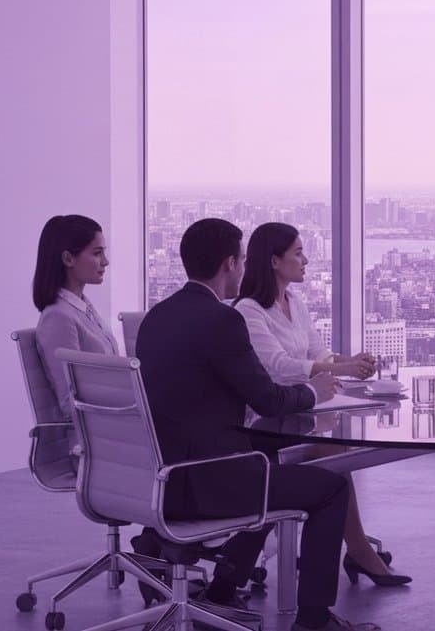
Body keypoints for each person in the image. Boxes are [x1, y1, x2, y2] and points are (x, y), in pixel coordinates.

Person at [135, 218, 375, 631]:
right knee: (330, 488)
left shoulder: (156, 317)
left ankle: (224, 588)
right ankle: (314, 621)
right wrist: (317, 390)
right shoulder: (224, 320)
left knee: (268, 464)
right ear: (230, 263)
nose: (244, 269)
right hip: (206, 481)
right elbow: (268, 397)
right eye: (242, 260)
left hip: (157, 480)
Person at [233, 222, 409, 587]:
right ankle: (358, 552)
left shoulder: (294, 302)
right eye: (298, 252)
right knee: (334, 453)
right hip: (269, 420)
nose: (306, 259)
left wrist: (349, 360)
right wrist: (337, 367)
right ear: (274, 261)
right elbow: (278, 367)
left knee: (336, 450)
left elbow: (318, 353)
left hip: (306, 409)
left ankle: (352, 551)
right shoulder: (248, 311)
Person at [33, 215, 118, 423]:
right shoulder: (58, 317)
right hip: (97, 438)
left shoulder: (83, 307)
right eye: (97, 253)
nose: (105, 262)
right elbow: (70, 402)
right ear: (68, 259)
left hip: (112, 428)